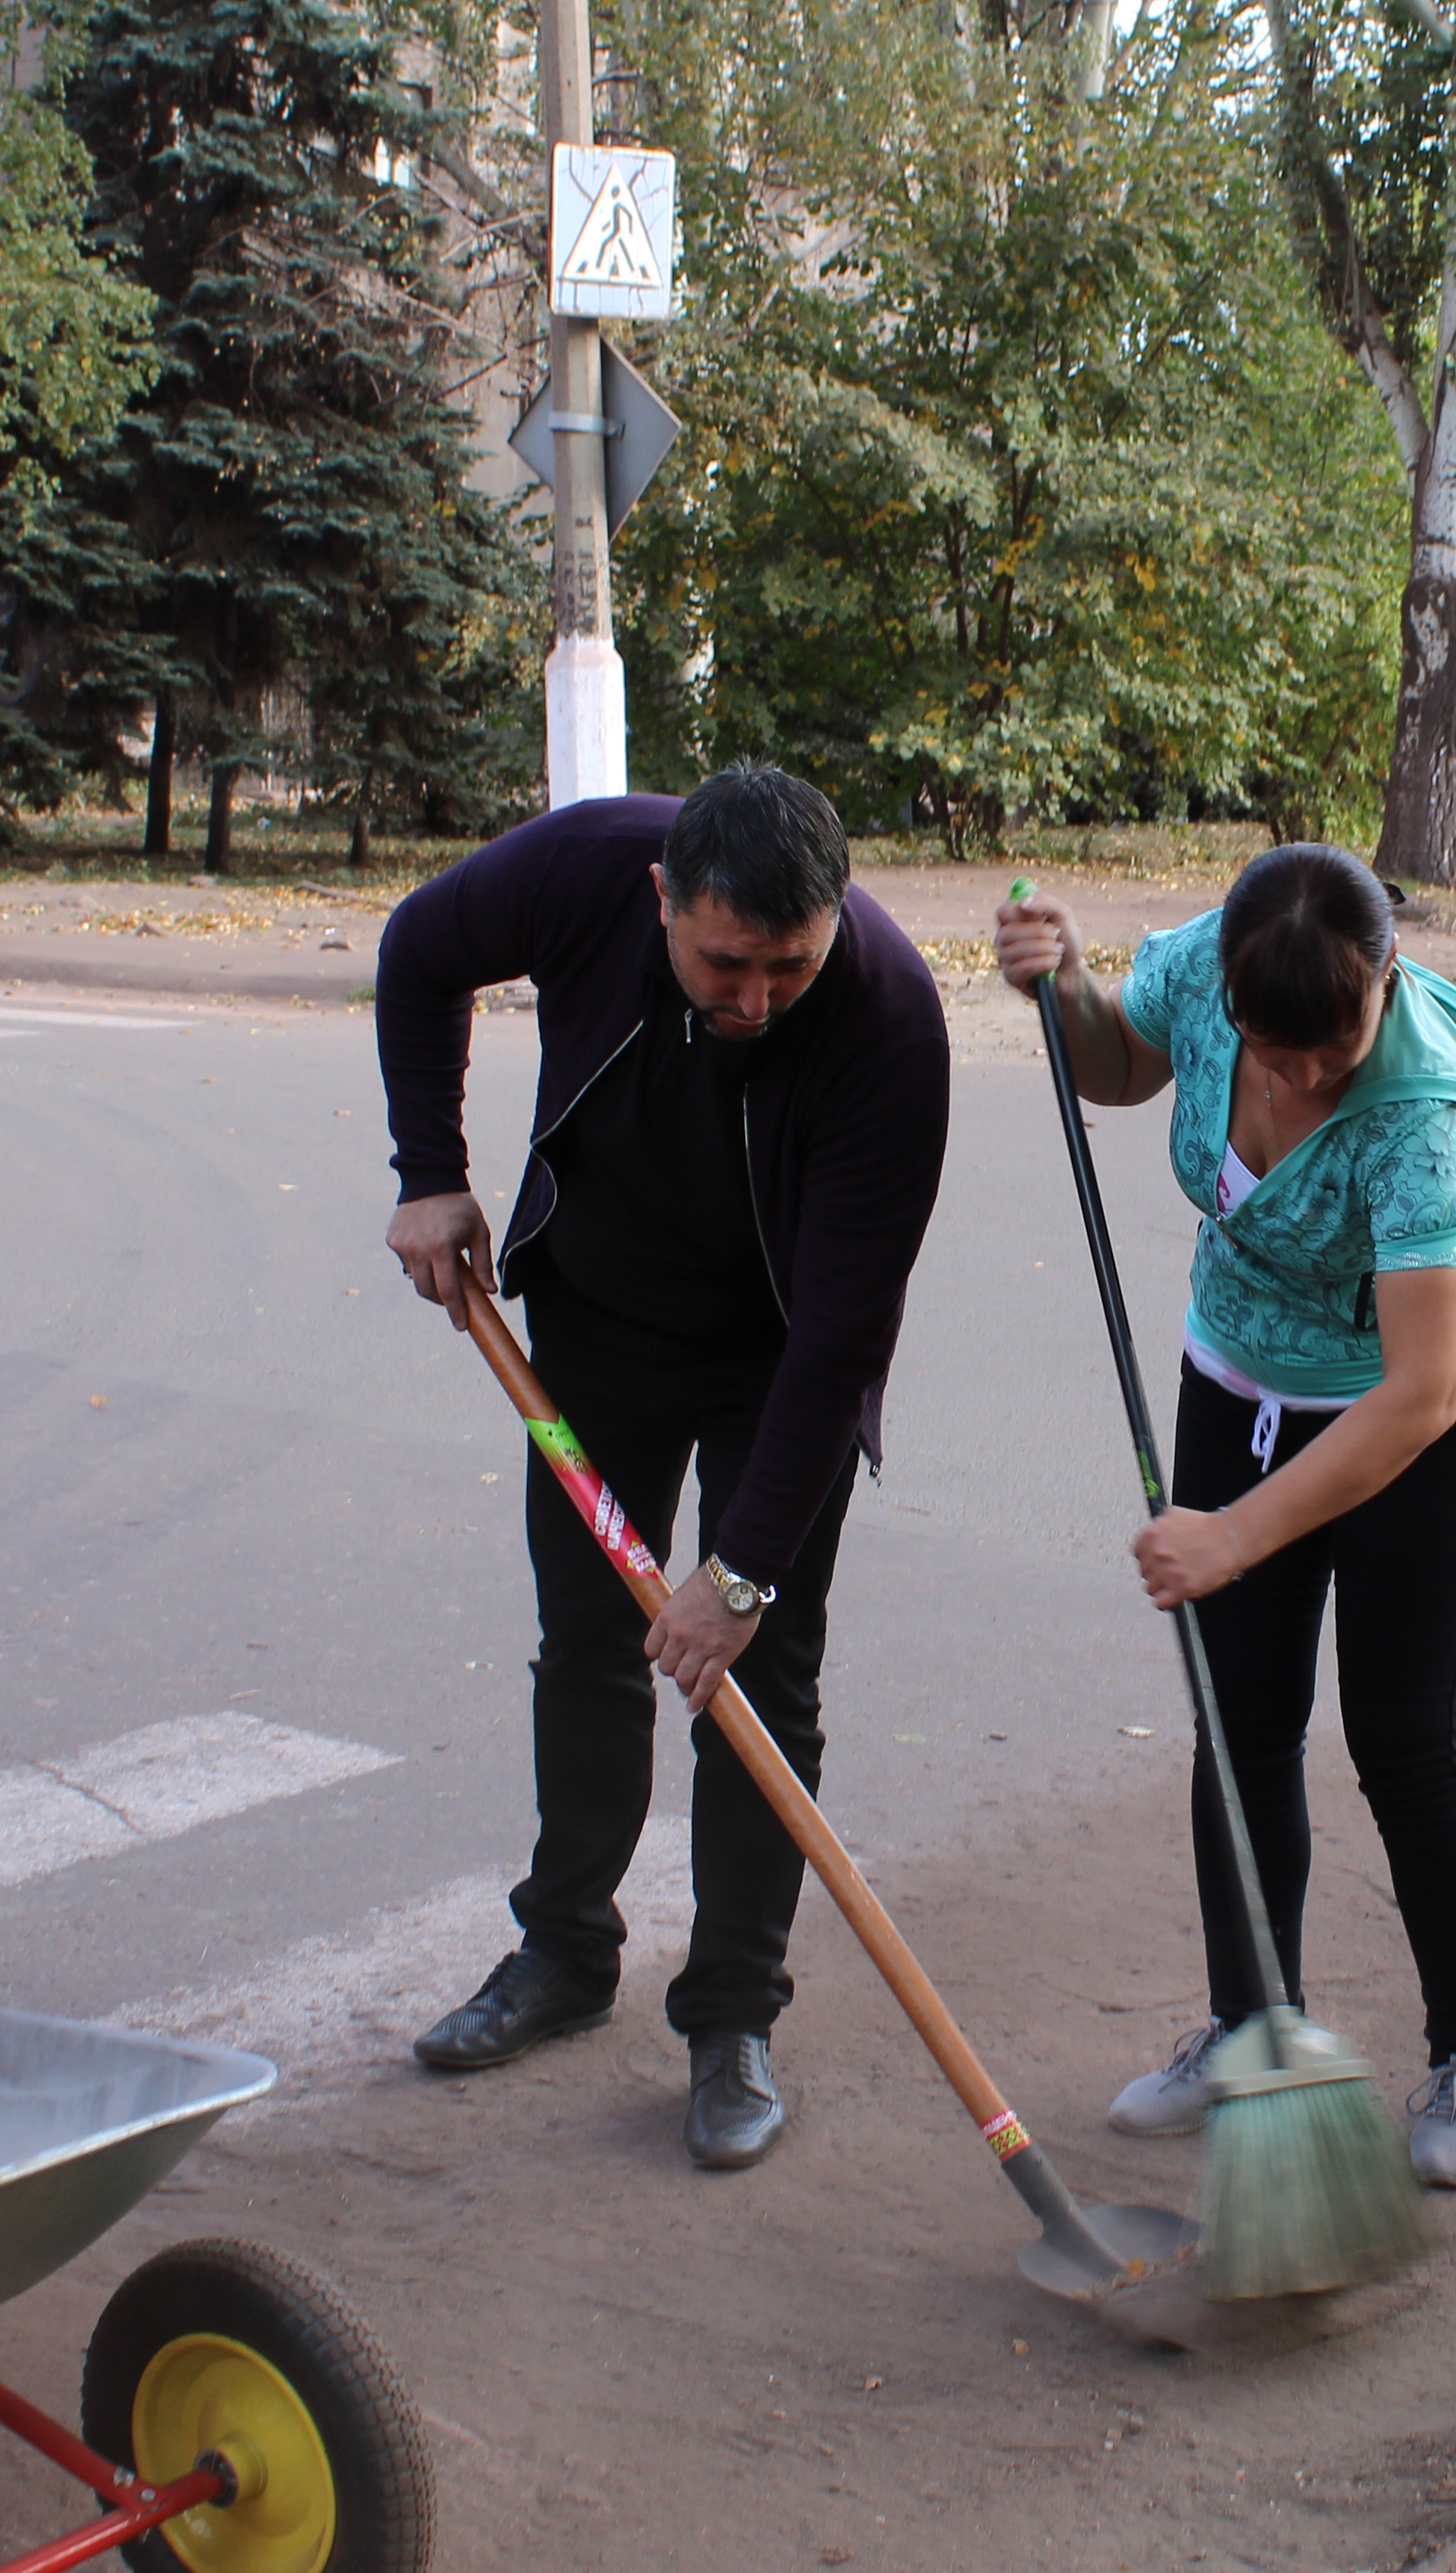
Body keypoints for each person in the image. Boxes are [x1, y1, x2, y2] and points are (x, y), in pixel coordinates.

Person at [377, 767, 950, 2171]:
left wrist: (740, 1568)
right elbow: (418, 950)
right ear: (660, 906)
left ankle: (732, 2015)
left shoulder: (886, 1018)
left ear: (835, 923)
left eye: (787, 966)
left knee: (756, 1673)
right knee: (585, 1640)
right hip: (598, 1325)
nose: (755, 1000)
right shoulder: (588, 868)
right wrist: (428, 1166)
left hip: (780, 1356)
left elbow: (842, 1336)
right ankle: (565, 1954)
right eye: (723, 964)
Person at [994, 847, 1456, 2188]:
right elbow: (1119, 1068)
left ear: (1386, 983)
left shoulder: (1421, 1114)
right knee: (1238, 1729)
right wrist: (1063, 992)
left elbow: (1417, 1393)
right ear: (1230, 994)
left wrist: (1235, 1534)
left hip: (1412, 1418)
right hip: (1234, 1379)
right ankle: (1252, 2023)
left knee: (1404, 1738)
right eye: (1271, 1050)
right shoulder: (1200, 971)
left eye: (1330, 1050)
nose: (1296, 1080)